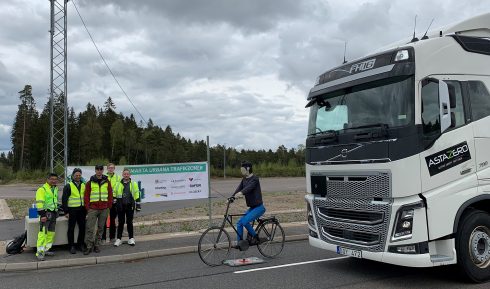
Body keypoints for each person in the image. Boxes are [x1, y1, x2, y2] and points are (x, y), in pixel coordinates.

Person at [233, 161, 266, 248]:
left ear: (248, 168)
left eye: (242, 169)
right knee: (239, 223)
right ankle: (240, 243)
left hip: (259, 207)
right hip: (252, 208)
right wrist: (232, 197)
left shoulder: (255, 179)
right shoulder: (244, 179)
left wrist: (241, 193)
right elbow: (238, 188)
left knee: (244, 221)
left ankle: (256, 237)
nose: (241, 170)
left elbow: (249, 188)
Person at [83, 164, 113, 255]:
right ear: (95, 170)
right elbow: (86, 196)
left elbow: (110, 195)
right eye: (97, 169)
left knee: (100, 228)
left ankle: (96, 245)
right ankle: (89, 246)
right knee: (89, 228)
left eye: (101, 169)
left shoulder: (107, 181)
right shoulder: (89, 182)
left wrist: (109, 206)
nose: (99, 171)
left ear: (103, 170)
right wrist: (88, 208)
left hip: (104, 208)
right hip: (93, 209)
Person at [113, 168, 141, 247]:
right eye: (124, 174)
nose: (126, 175)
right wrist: (115, 205)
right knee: (120, 222)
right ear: (122, 175)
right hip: (120, 206)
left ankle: (131, 238)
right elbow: (114, 194)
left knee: (129, 222)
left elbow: (137, 194)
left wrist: (138, 205)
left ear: (130, 175)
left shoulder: (133, 184)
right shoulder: (118, 184)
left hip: (130, 206)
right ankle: (118, 239)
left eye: (127, 174)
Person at [61, 168, 86, 254]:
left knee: (82, 228)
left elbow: (86, 198)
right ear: (73, 176)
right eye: (76, 175)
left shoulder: (84, 185)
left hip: (82, 210)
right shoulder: (68, 186)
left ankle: (81, 244)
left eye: (79, 175)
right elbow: (64, 200)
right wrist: (66, 212)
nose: (78, 177)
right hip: (72, 210)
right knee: (71, 228)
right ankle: (71, 246)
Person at [35, 173, 59, 261]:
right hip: (45, 214)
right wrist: (42, 215)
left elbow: (54, 201)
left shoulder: (55, 188)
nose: (53, 181)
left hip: (53, 213)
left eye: (55, 179)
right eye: (52, 179)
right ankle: (40, 253)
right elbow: (39, 203)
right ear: (47, 179)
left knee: (51, 233)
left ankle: (46, 249)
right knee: (43, 234)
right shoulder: (42, 189)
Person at [102, 163, 121, 243]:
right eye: (109, 168)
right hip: (105, 199)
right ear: (107, 169)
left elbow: (120, 188)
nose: (111, 169)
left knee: (113, 219)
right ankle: (102, 238)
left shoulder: (118, 177)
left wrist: (118, 199)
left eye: (112, 168)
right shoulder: (103, 177)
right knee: (103, 219)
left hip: (114, 199)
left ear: (114, 169)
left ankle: (112, 237)